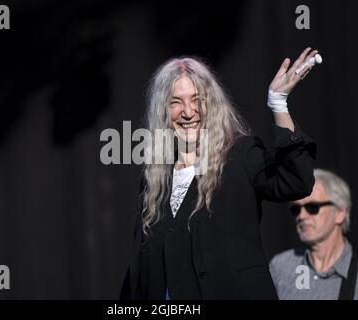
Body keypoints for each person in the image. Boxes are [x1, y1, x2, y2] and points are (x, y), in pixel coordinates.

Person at [121, 48, 318, 299]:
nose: (189, 111)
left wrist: (278, 102)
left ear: (210, 103)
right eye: (176, 102)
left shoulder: (240, 155)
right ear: (162, 111)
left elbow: (296, 183)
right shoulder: (156, 179)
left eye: (196, 99)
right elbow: (140, 268)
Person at [269, 169, 357, 300]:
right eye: (296, 209)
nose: (301, 216)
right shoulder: (281, 266)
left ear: (339, 213)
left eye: (312, 207)